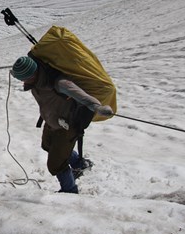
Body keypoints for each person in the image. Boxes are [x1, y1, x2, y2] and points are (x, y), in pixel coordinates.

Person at [11, 55, 114, 194]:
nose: (22, 81)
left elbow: (82, 96)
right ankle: (80, 163)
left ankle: (70, 190)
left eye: (23, 78)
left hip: (66, 126)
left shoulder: (59, 83)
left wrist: (98, 107)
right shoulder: (35, 81)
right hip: (51, 122)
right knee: (47, 145)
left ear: (32, 74)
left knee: (56, 163)